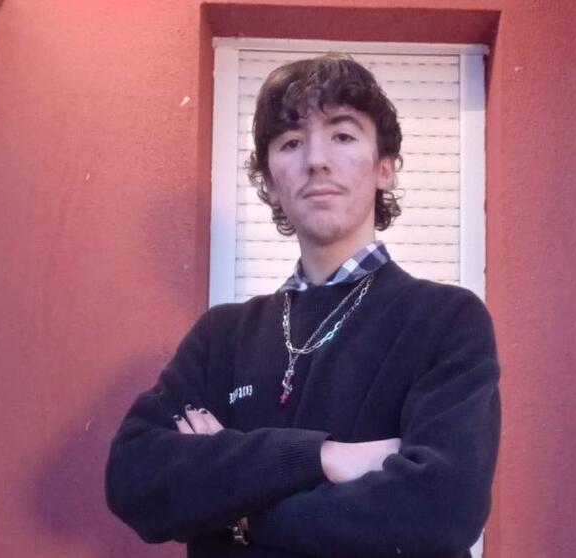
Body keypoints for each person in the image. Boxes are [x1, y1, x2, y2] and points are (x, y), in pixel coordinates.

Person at [105, 53, 501, 558]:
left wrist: (239, 516)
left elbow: (441, 508)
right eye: (291, 142)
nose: (316, 159)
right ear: (271, 182)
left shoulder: (447, 320)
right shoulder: (220, 336)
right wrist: (323, 457)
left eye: (343, 135)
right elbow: (134, 477)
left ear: (385, 168)